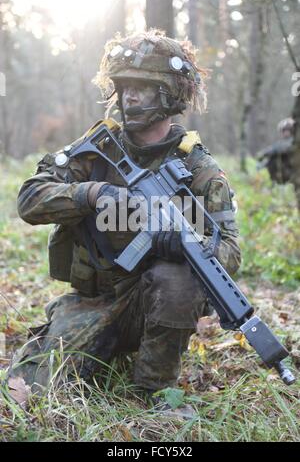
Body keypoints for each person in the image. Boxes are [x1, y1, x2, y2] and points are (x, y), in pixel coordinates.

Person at [8, 30, 241, 415]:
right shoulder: (97, 148)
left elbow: (230, 252)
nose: (129, 96)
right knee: (34, 385)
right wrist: (93, 193)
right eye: (124, 86)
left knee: (180, 273)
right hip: (91, 300)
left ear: (169, 94)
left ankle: (156, 390)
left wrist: (185, 245)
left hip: (151, 302)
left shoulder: (198, 168)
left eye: (143, 88)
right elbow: (30, 199)